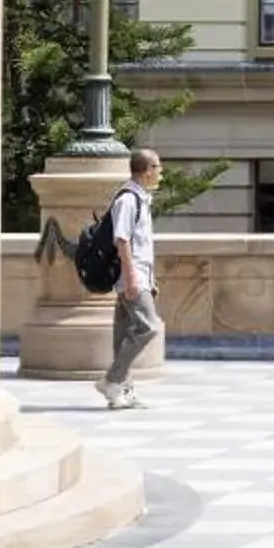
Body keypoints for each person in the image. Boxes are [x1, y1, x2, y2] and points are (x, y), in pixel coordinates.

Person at [97, 146, 164, 410]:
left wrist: (150, 277)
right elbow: (122, 240)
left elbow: (142, 245)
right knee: (149, 327)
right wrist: (132, 278)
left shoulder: (141, 199)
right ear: (147, 171)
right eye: (158, 167)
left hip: (139, 274)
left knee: (123, 333)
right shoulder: (128, 200)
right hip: (131, 276)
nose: (160, 172)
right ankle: (112, 380)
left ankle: (121, 391)